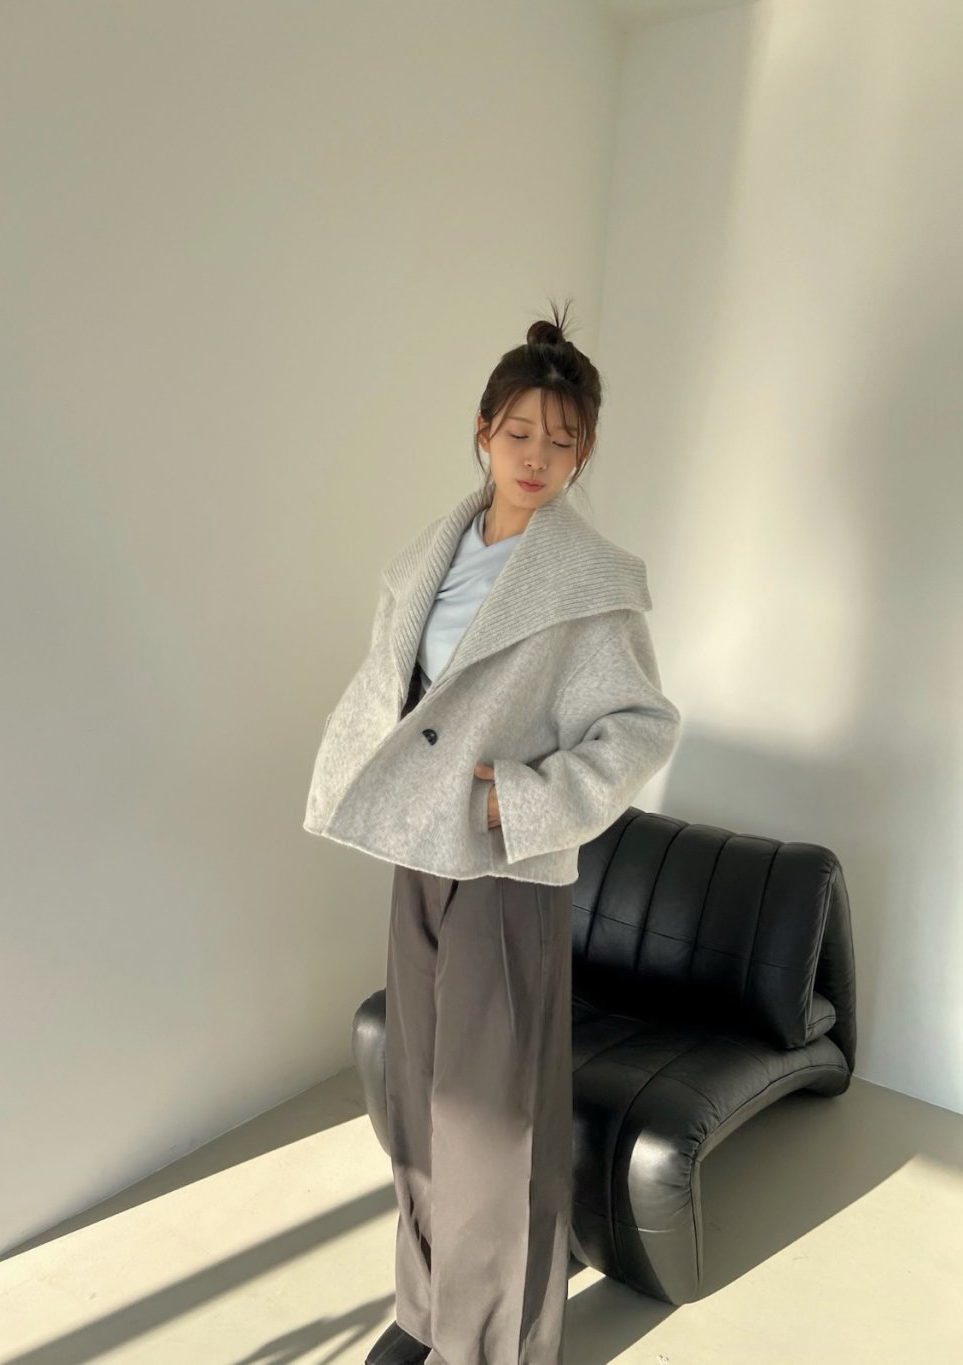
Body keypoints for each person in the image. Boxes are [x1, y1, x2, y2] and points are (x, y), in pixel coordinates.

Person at [303, 299, 682, 1365]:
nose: (536, 456)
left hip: (509, 867)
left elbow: (641, 726)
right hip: (420, 852)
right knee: (420, 1094)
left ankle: (490, 1346)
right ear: (483, 430)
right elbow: (395, 685)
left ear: (583, 454)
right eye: (519, 432)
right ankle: (426, 1310)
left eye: (562, 441)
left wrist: (520, 798)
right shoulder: (432, 554)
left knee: (493, 1123)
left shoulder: (591, 584)